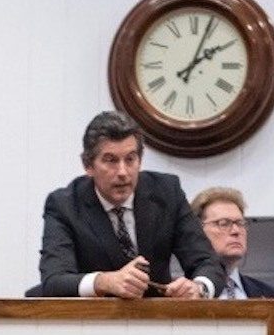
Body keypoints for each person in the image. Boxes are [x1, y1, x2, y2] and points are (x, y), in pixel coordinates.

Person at [35, 110, 223, 299]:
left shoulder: (167, 193)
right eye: (111, 161)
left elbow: (208, 263)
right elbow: (54, 281)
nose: (123, 172)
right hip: (94, 322)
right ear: (88, 165)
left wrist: (199, 288)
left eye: (130, 159)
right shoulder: (65, 205)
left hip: (158, 320)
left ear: (140, 160)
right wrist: (104, 282)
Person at [190, 186, 274, 299]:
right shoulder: (185, 293)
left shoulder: (267, 293)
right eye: (223, 223)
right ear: (198, 231)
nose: (236, 231)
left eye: (240, 223)